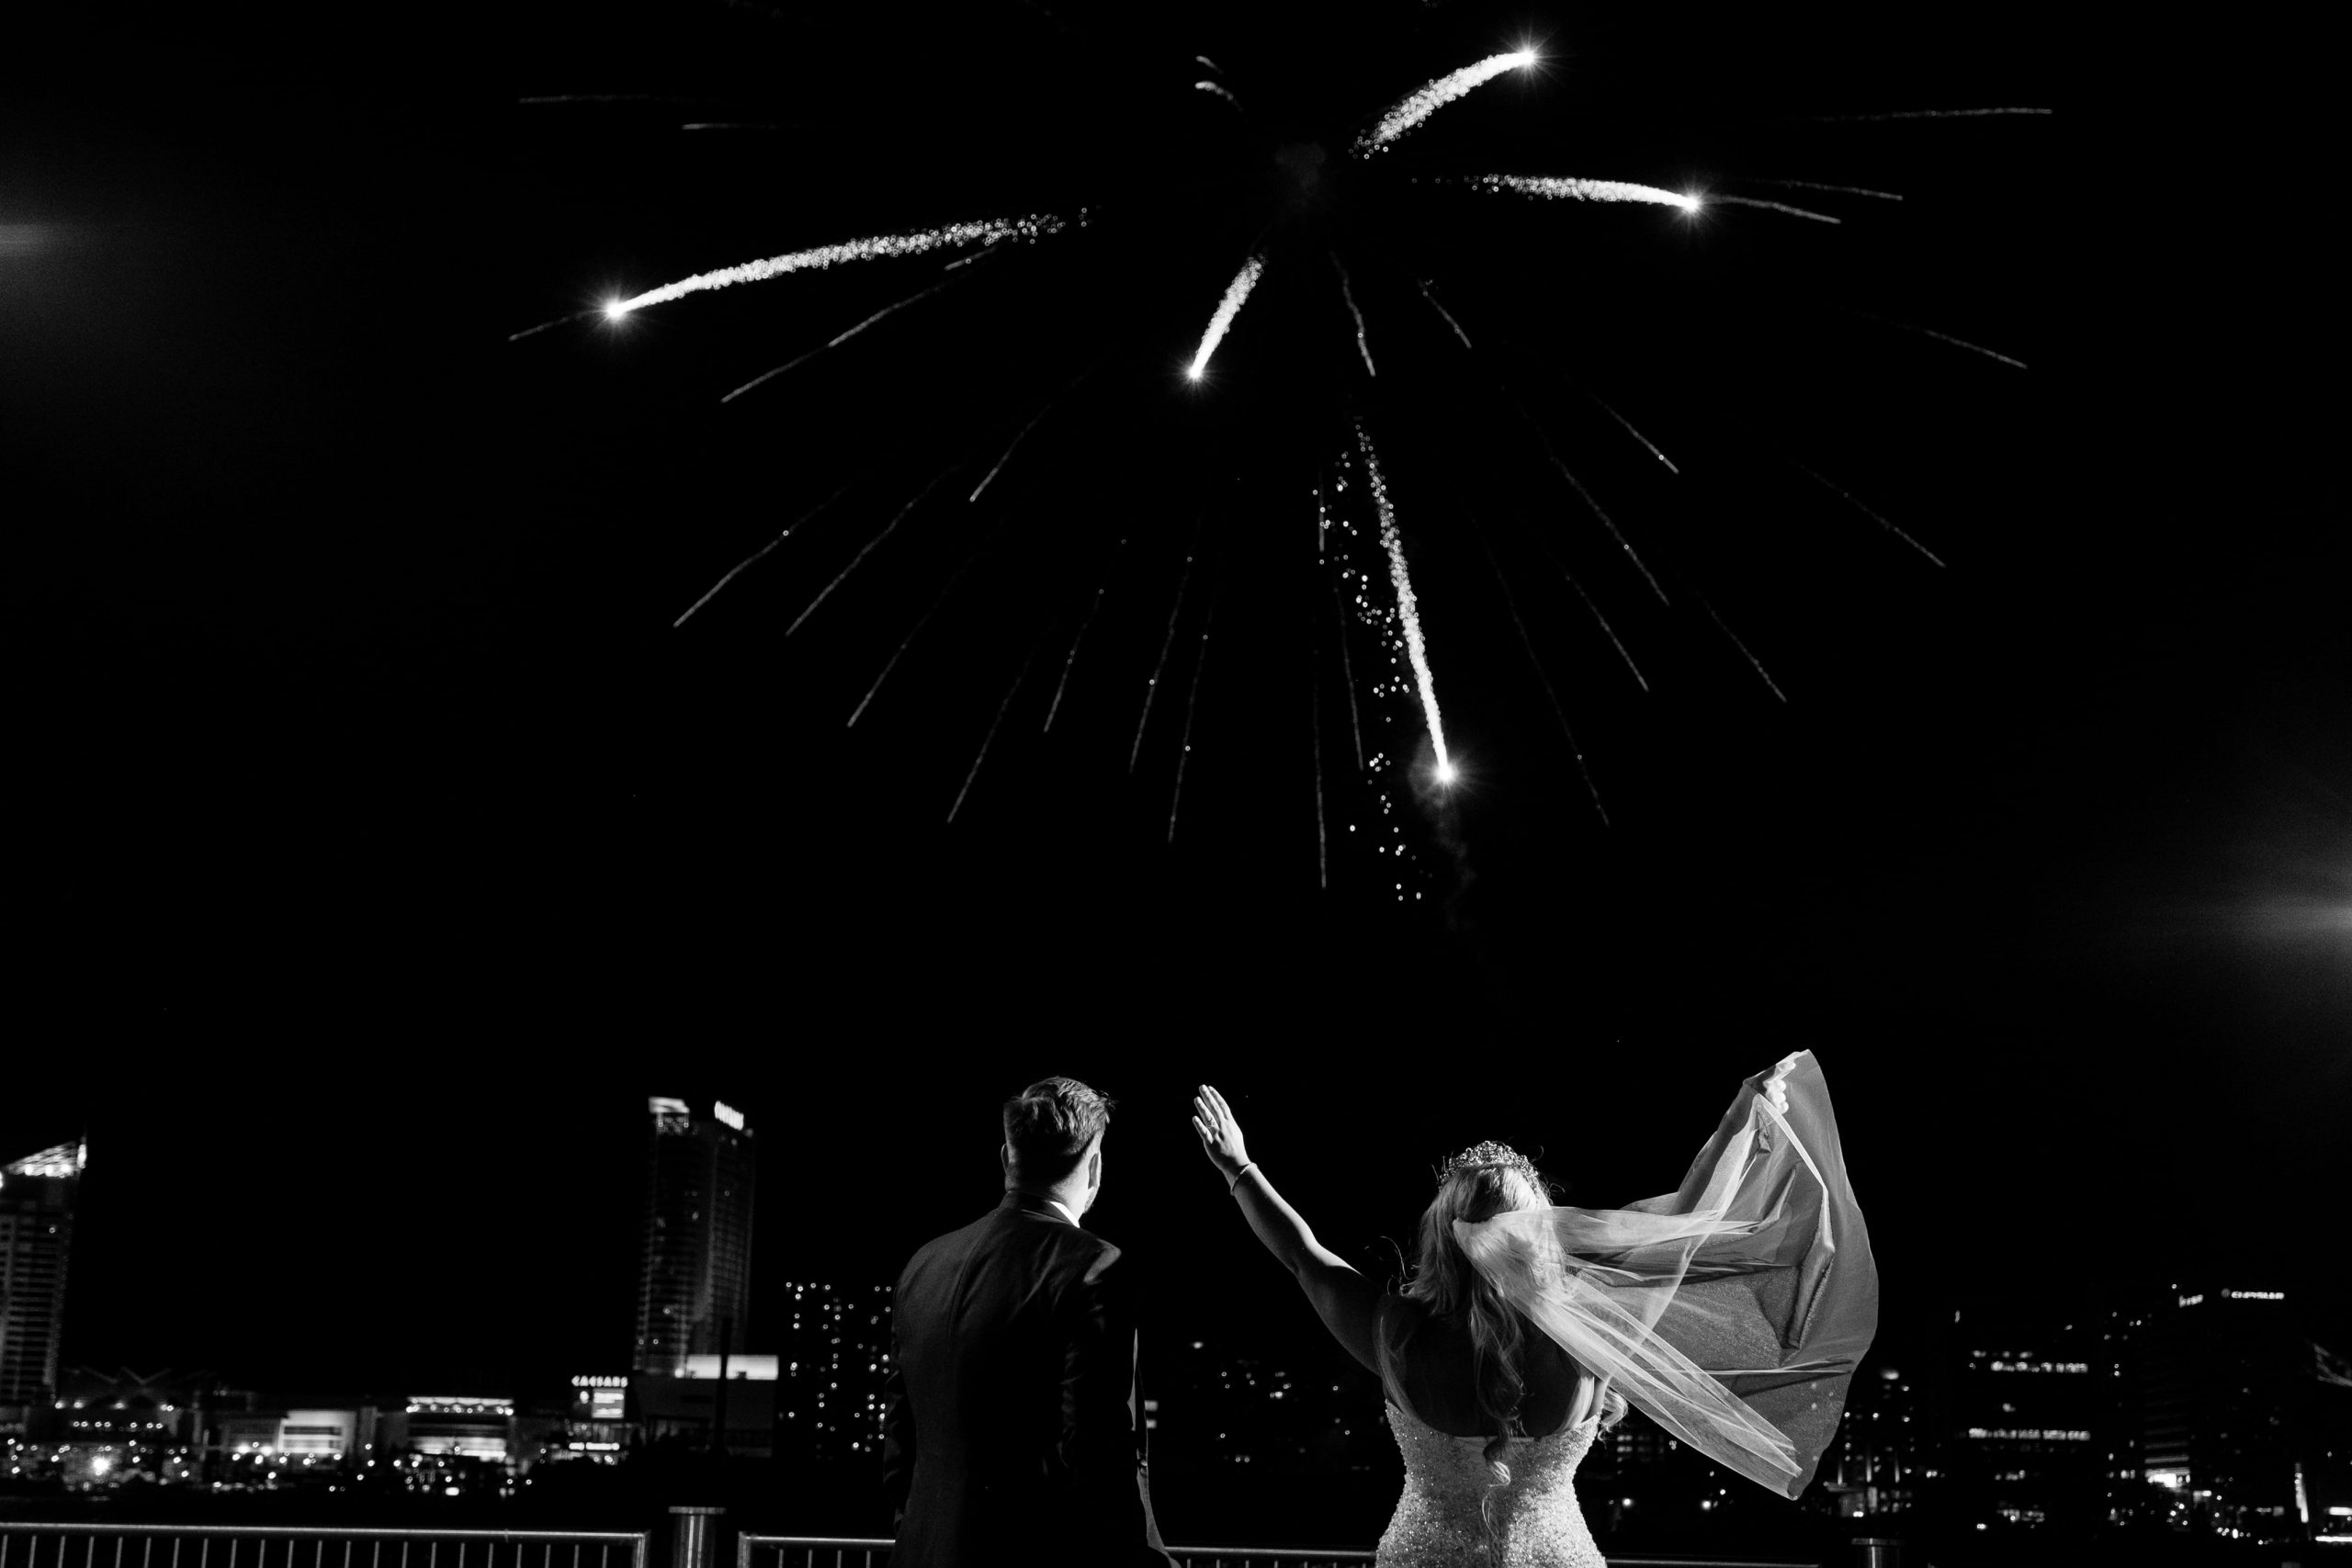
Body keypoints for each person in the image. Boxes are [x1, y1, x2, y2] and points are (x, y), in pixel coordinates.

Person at [1192, 1051, 1876, 1567]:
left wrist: (1238, 1167)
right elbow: (1687, 1233)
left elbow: (1303, 1256)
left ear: (1442, 1236)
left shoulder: (1399, 1336)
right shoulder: (1592, 1336)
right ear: (1541, 1236)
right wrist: (1743, 1119)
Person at [883, 1077, 1177, 1568]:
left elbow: (900, 1452)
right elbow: (1097, 1454)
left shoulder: (924, 1264)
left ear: (1006, 1159)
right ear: (1097, 1166)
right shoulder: (1093, 1265)